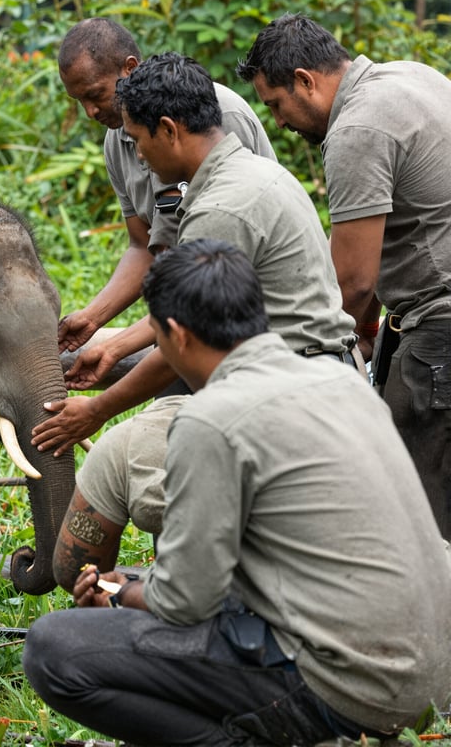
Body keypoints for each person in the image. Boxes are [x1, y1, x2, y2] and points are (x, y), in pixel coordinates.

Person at [23, 239, 451, 747]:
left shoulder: (211, 419)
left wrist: (121, 594)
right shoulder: (342, 383)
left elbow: (184, 601)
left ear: (176, 336)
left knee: (55, 648)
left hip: (355, 692)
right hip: (435, 672)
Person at [38, 53, 355, 588]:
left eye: (139, 141)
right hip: (310, 377)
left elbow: (185, 345)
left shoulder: (219, 211)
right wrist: (112, 345)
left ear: (168, 130)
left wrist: (97, 412)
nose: (136, 153)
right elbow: (183, 321)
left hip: (282, 397)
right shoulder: (250, 175)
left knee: (115, 458)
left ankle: (112, 599)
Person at [235, 13, 451, 539]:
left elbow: (351, 283)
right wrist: (368, 330)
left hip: (439, 329)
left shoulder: (356, 129)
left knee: (421, 507)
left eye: (276, 105)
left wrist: (296, 363)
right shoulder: (413, 76)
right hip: (425, 313)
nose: (280, 124)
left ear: (306, 81)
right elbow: (384, 238)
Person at [55, 18, 276, 360]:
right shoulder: (117, 140)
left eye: (95, 95)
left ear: (129, 69)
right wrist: (92, 318)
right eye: (78, 101)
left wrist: (116, 349)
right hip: (184, 319)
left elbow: (219, 278)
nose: (89, 112)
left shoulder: (217, 117)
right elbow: (144, 245)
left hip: (248, 327)